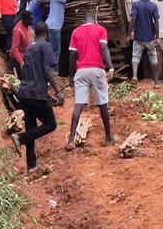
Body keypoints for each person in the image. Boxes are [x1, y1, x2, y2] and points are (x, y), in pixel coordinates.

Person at [9, 20, 65, 172]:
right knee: (51, 124)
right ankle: (20, 138)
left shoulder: (30, 48)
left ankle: (31, 165)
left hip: (25, 93)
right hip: (35, 94)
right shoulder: (45, 46)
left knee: (31, 127)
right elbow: (47, 70)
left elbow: (31, 74)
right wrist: (58, 91)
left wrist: (47, 94)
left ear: (35, 33)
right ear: (46, 33)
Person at [65, 13, 116, 149]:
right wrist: (110, 67)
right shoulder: (101, 30)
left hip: (81, 71)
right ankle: (108, 137)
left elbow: (72, 54)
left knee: (78, 105)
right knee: (103, 104)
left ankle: (71, 140)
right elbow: (103, 48)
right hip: (97, 70)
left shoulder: (76, 32)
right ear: (95, 20)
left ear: (83, 21)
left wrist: (71, 76)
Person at [129, 0, 161, 86]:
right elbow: (156, 22)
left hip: (139, 38)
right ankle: (156, 83)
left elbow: (133, 20)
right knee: (153, 58)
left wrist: (129, 34)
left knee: (136, 57)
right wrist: (157, 37)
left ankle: (135, 75)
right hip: (150, 37)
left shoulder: (135, 5)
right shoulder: (153, 6)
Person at [9, 10, 34, 75]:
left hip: (25, 57)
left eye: (32, 20)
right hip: (17, 60)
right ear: (24, 19)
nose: (32, 22)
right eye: (30, 20)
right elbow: (14, 49)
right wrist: (21, 63)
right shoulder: (18, 31)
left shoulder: (28, 26)